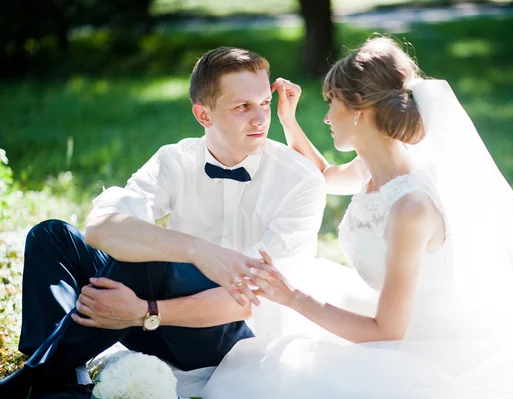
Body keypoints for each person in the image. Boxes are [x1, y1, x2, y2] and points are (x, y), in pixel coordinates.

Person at [200, 36, 513, 398]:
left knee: (261, 374)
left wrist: (290, 296)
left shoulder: (410, 206)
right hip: (391, 314)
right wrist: (289, 120)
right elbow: (322, 176)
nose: (326, 117)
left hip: (423, 343)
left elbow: (386, 332)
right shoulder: (375, 168)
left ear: (358, 110)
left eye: (331, 104)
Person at [0, 47, 326, 399]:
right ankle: (60, 380)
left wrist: (144, 312)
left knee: (151, 258)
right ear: (204, 115)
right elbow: (101, 227)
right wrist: (196, 250)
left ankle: (33, 380)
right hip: (149, 319)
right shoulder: (176, 159)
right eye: (243, 107)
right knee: (52, 236)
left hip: (229, 338)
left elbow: (244, 302)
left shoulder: (300, 181)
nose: (261, 119)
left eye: (264, 103)